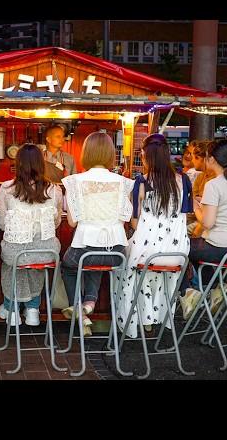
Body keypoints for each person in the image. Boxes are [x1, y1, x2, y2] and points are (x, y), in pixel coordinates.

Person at [116, 134, 192, 338]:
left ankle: (142, 319)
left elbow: (134, 222)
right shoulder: (183, 181)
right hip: (178, 254)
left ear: (146, 156)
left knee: (123, 265)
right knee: (155, 272)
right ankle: (153, 317)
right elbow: (185, 214)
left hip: (147, 252)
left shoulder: (141, 182)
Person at [60, 132, 134, 336]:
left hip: (86, 248)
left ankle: (78, 309)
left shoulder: (74, 182)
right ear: (111, 154)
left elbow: (72, 222)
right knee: (98, 260)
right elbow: (125, 219)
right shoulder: (123, 182)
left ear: (86, 153)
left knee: (69, 266)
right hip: (117, 251)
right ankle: (89, 304)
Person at [180, 139, 227, 320]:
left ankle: (188, 293)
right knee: (198, 249)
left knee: (179, 249)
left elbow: (207, 223)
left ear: (211, 159)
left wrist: (196, 206)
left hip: (221, 248)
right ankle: (216, 290)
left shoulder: (214, 185)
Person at [0, 143, 63, 326]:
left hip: (16, 251)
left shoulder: (6, 189)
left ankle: (11, 309)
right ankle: (33, 309)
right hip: (47, 251)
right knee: (35, 262)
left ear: (18, 164)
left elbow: (3, 224)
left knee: (13, 261)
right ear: (42, 164)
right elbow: (56, 222)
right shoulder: (55, 190)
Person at [187, 140, 217, 238]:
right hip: (203, 220)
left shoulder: (213, 183)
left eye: (193, 157)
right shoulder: (201, 177)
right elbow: (194, 198)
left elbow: (206, 222)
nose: (191, 160)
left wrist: (196, 206)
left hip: (208, 226)